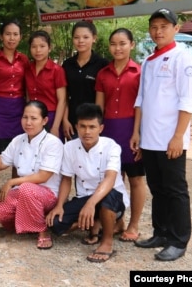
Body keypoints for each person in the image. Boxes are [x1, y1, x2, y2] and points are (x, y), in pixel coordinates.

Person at [131, 8, 192, 261]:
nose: (158, 31)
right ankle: (160, 232)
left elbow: (187, 101)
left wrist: (178, 136)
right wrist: (137, 132)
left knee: (175, 190)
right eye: (154, 27)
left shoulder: (184, 60)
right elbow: (141, 99)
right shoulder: (148, 61)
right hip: (149, 138)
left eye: (164, 26)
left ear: (176, 29)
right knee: (157, 188)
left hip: (171, 139)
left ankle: (178, 240)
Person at [46, 103, 129, 263]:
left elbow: (110, 179)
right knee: (55, 224)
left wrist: (90, 204)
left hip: (112, 198)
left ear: (101, 128)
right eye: (82, 126)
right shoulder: (69, 147)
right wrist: (59, 205)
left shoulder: (111, 146)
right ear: (76, 126)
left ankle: (106, 242)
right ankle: (96, 222)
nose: (87, 132)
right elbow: (66, 179)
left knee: (108, 199)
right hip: (84, 197)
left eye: (92, 127)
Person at [95, 28, 145, 243]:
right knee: (114, 178)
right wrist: (98, 132)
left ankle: (134, 224)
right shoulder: (103, 73)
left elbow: (142, 105)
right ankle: (118, 221)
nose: (118, 48)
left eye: (123, 43)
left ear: (132, 45)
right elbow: (99, 106)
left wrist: (137, 132)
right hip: (109, 130)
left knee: (135, 178)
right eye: (113, 44)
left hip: (130, 130)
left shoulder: (140, 72)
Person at [0, 101, 63, 250]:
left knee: (27, 189)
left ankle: (42, 230)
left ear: (44, 121)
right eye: (25, 117)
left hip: (48, 194)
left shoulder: (53, 142)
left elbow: (43, 176)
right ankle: (27, 222)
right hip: (24, 192)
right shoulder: (18, 140)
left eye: (34, 118)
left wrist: (12, 182)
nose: (28, 122)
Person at [0, 20, 29, 195]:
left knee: (19, 158)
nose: (11, 38)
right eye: (8, 34)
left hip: (18, 112)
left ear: (20, 37)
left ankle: (16, 199)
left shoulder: (24, 59)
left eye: (15, 34)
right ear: (1, 37)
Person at [62, 21, 109, 139]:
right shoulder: (67, 64)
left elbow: (104, 98)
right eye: (76, 37)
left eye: (85, 37)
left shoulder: (102, 64)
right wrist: (65, 120)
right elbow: (64, 97)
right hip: (73, 122)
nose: (80, 41)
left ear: (94, 38)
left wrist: (99, 123)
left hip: (94, 123)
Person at [25, 31, 67, 137]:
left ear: (49, 48)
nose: (38, 50)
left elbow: (62, 100)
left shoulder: (57, 70)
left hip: (51, 117)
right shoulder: (27, 69)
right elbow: (28, 96)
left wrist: (56, 126)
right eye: (34, 46)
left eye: (42, 46)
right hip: (32, 118)